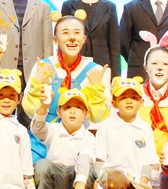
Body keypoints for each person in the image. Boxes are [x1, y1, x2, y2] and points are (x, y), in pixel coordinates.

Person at [22, 12, 110, 162]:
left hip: (77, 145)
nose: (72, 38)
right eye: (65, 33)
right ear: (55, 40)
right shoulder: (43, 67)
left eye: (77, 33)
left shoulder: (95, 71)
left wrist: (96, 88)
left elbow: (98, 117)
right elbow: (31, 111)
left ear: (84, 39)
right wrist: (37, 84)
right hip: (43, 144)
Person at [93, 77, 161, 189]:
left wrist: (143, 182)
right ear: (114, 103)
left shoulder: (145, 128)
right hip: (113, 178)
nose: (129, 101)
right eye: (123, 98)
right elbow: (99, 158)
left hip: (136, 182)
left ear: (141, 102)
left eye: (134, 98)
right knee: (117, 178)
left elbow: (148, 160)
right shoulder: (106, 126)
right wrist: (95, 184)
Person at [29, 87, 97, 189]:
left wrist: (80, 183)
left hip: (76, 188)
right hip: (54, 186)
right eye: (67, 107)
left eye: (78, 107)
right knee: (42, 164)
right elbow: (38, 129)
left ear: (86, 114)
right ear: (59, 112)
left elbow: (85, 159)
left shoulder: (89, 137)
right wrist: (44, 107)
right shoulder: (53, 130)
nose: (72, 111)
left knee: (87, 170)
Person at [61, 0, 121, 77]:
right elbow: (62, 38)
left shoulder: (109, 7)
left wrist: (116, 77)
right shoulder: (68, 5)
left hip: (102, 65)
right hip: (74, 64)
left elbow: (114, 44)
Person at [137, 28, 168, 172]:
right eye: (154, 63)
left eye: (165, 64)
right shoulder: (134, 96)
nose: (159, 68)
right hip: (137, 164)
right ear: (145, 67)